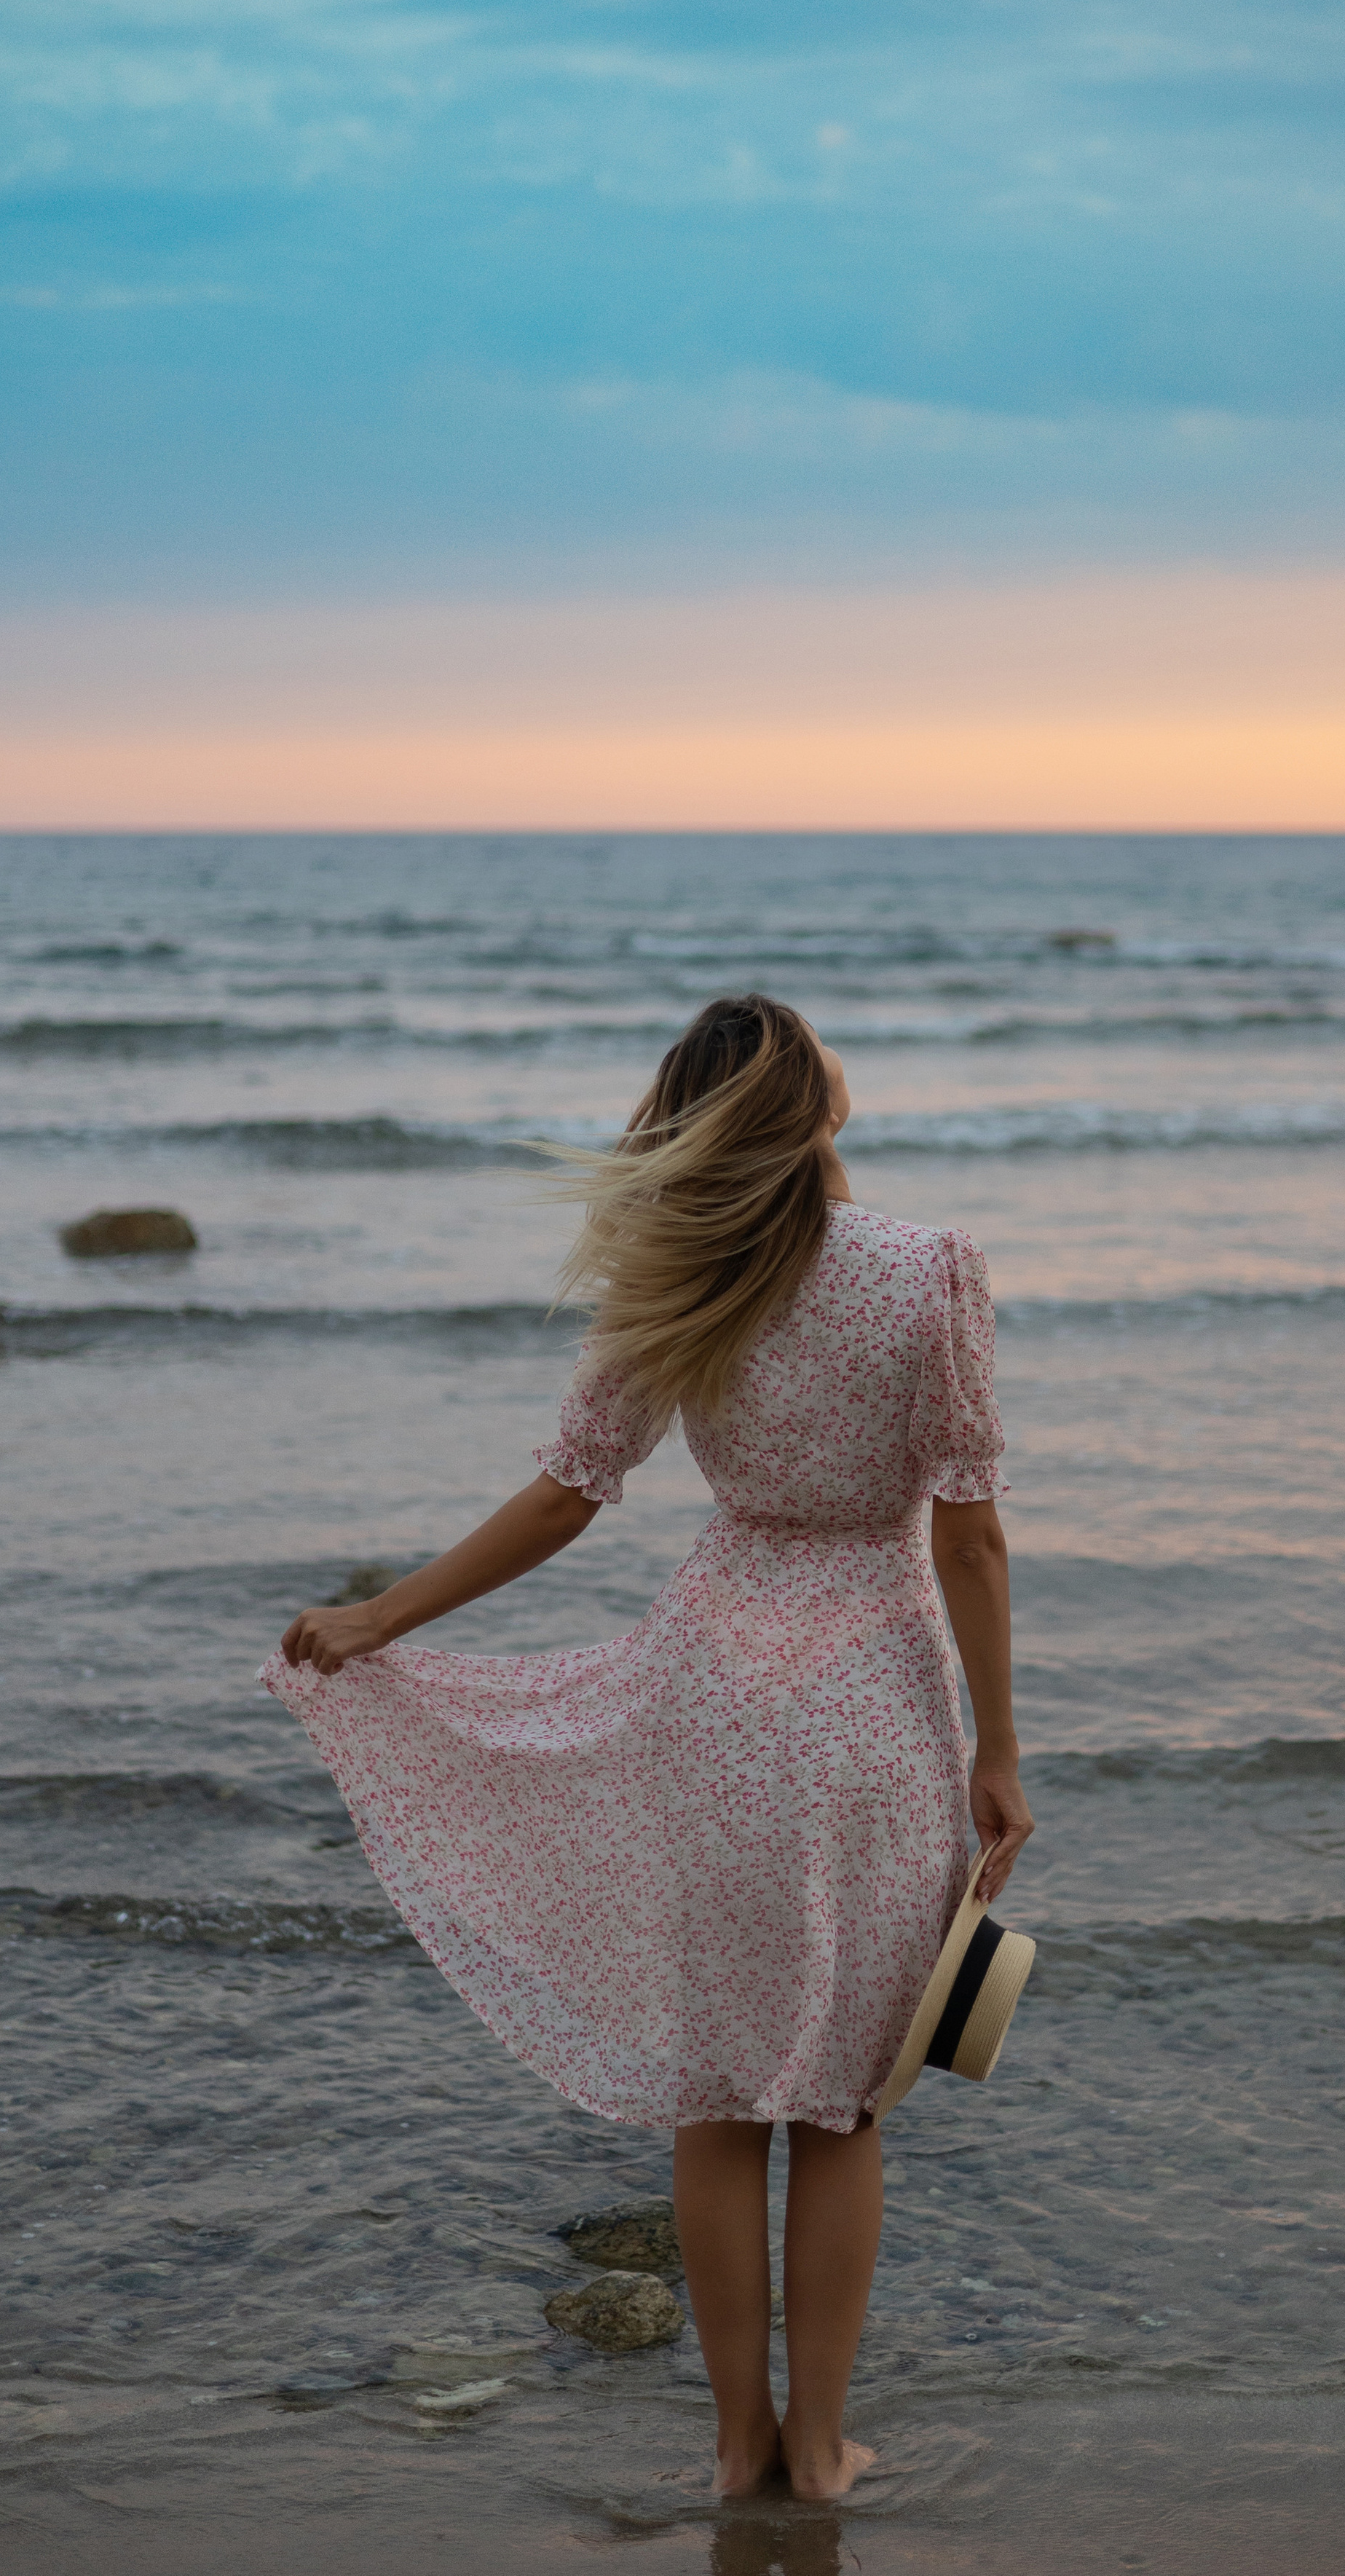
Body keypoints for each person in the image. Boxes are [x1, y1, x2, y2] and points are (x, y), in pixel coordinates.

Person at [264, 993, 1033, 2502]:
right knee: (843, 2103)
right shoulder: (928, 1270)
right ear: (820, 1106)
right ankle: (816, 2451)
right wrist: (995, 1748)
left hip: (711, 1702)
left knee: (716, 2093)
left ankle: (733, 2437)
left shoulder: (671, 1271)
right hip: (871, 1708)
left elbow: (565, 1496)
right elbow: (972, 1538)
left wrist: (381, 1618)